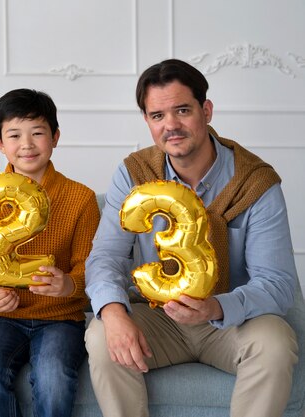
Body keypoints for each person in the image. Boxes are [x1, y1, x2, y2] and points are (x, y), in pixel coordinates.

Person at [84, 58, 299, 417]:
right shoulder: (134, 173)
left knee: (274, 342)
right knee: (101, 334)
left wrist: (216, 307)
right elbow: (106, 255)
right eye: (157, 116)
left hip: (231, 320)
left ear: (206, 110)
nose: (171, 125)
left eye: (182, 110)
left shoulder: (256, 182)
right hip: (159, 318)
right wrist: (114, 312)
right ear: (148, 122)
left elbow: (277, 283)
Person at [0, 89, 100, 417]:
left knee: (54, 377)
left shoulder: (79, 198)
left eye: (37, 133)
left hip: (60, 319)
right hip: (4, 318)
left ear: (55, 137)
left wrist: (69, 284)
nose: (26, 144)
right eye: (14, 135)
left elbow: (91, 265)